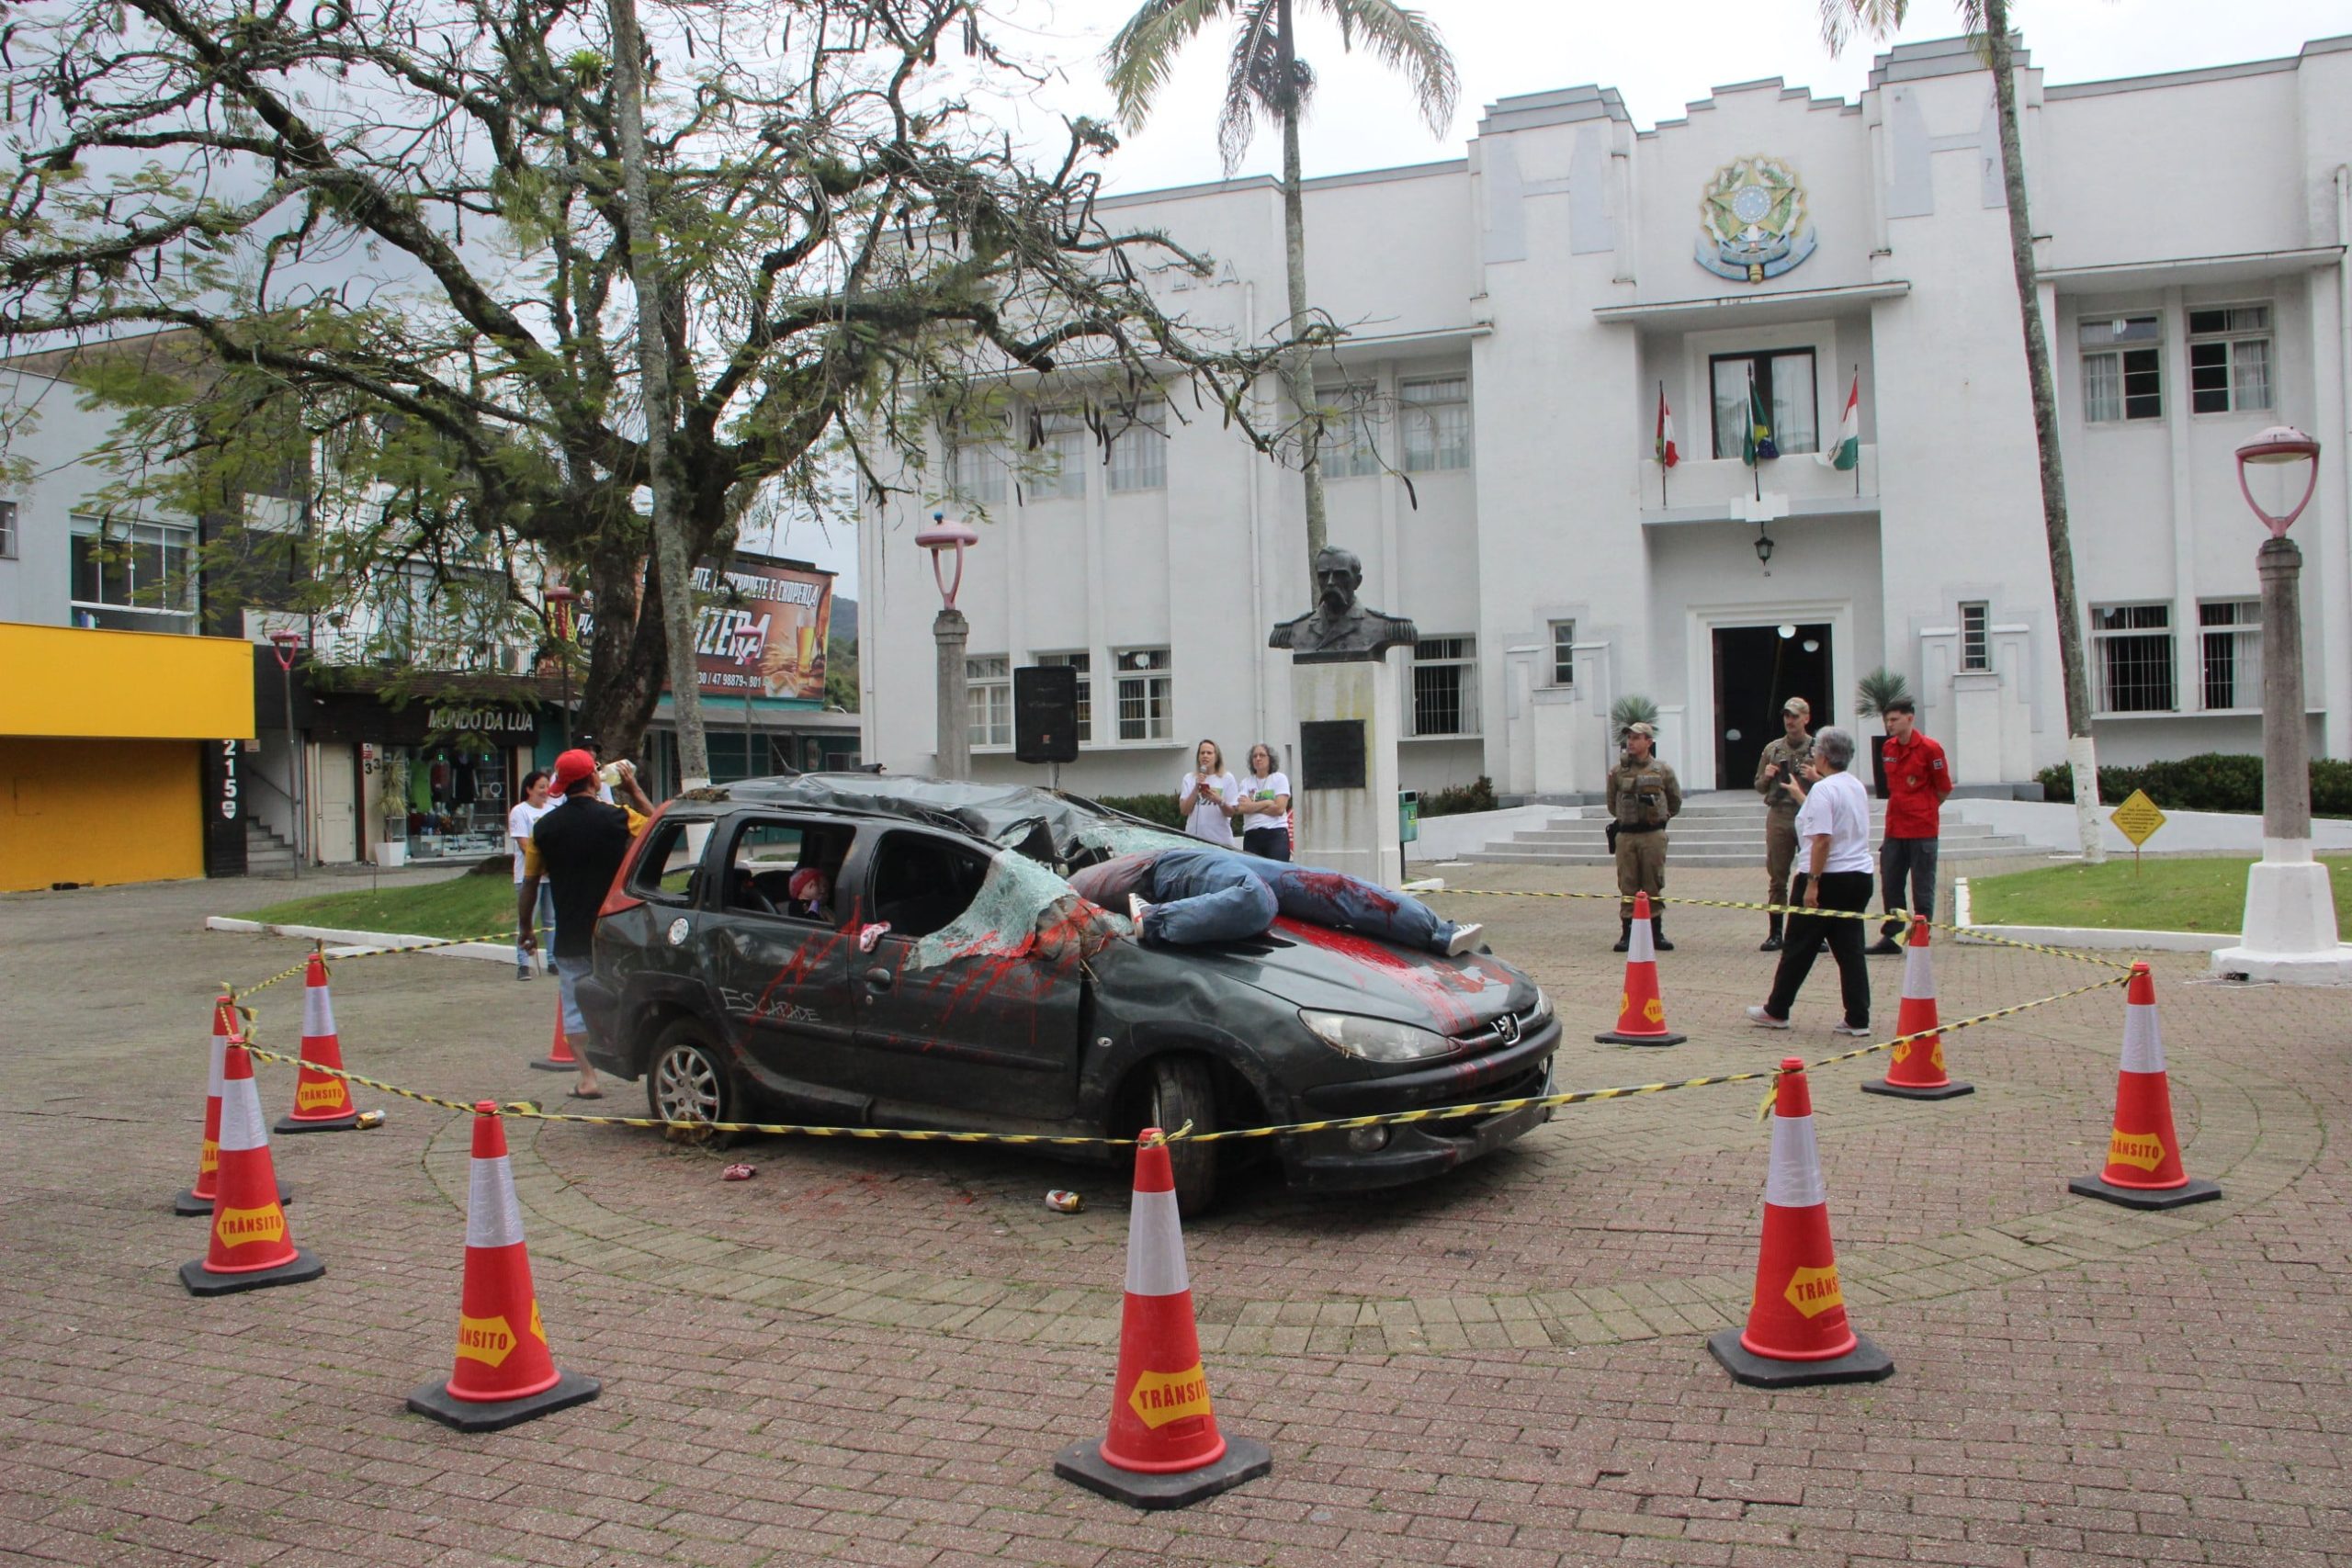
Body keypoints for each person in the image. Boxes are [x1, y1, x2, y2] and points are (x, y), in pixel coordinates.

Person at [518, 748, 658, 1099]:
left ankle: (588, 1077)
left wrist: (526, 929)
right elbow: (657, 824)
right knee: (625, 995)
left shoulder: (543, 829)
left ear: (561, 786)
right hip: (615, 930)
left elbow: (531, 883)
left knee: (575, 1001)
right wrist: (634, 788)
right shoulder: (617, 817)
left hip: (571, 934)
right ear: (595, 779)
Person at [1067, 844, 1483, 957]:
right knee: (1256, 901)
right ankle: (1156, 920)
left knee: (1332, 886)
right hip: (1168, 877)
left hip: (1187, 862)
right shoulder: (1076, 883)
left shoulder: (1094, 867)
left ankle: (1436, 932)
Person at [1747, 728, 1874, 1036]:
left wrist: (1813, 883)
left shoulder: (1825, 789)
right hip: (1858, 876)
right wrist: (1798, 794)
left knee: (1798, 947)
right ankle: (1858, 1016)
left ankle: (1777, 1009)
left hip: (1828, 877)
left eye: (1816, 749)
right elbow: (1826, 817)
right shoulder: (1853, 785)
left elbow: (1821, 840)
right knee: (1850, 948)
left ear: (1824, 756)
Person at [1870, 697, 1951, 954]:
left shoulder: (1930, 749)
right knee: (1891, 884)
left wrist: (1924, 808)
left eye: (1894, 719)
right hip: (1895, 828)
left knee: (1922, 886)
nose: (1889, 725)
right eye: (1887, 720)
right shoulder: (1889, 748)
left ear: (1909, 718)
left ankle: (1921, 937)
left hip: (1922, 829)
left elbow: (1943, 788)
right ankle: (1894, 937)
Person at [1606, 721, 1682, 953]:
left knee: (1653, 882)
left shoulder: (1663, 770)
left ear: (1649, 742)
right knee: (1627, 883)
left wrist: (1661, 816)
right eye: (1629, 737)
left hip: (1652, 835)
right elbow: (1611, 804)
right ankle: (1628, 933)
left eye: (1637, 737)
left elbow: (1675, 800)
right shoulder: (1617, 772)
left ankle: (1655, 932)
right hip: (1627, 836)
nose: (1631, 742)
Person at [1753, 697, 1815, 953]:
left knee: (1814, 874)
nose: (1790, 721)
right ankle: (1776, 933)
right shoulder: (1772, 749)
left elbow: (1833, 781)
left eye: (1795, 716)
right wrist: (1766, 777)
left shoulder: (1818, 749)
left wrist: (1815, 776)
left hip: (1809, 813)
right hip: (1780, 814)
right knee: (1777, 877)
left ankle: (1814, 932)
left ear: (1806, 718)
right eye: (1787, 716)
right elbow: (1758, 785)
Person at [507, 770, 554, 980]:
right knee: (526, 919)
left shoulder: (553, 810)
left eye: (547, 787)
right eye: (541, 787)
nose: (545, 791)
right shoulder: (520, 811)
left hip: (551, 875)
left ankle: (553, 961)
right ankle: (523, 964)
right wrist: (542, 865)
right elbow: (524, 844)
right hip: (528, 876)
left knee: (551, 919)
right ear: (529, 789)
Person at [1235, 742, 1294, 861]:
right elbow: (1240, 808)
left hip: (1275, 833)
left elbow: (1279, 809)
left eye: (1262, 755)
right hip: (1252, 835)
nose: (1258, 758)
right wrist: (1266, 803)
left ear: (1270, 758)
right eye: (1255, 756)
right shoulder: (1246, 782)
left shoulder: (1279, 778)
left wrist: (1252, 805)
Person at [1178, 739, 1239, 848]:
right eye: (1202, 753)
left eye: (1209, 753)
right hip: (1194, 841)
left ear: (1217, 757)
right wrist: (1196, 788)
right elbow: (1184, 810)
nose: (1205, 756)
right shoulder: (1189, 778)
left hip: (1220, 841)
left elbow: (1231, 812)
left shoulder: (1227, 778)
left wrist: (1219, 801)